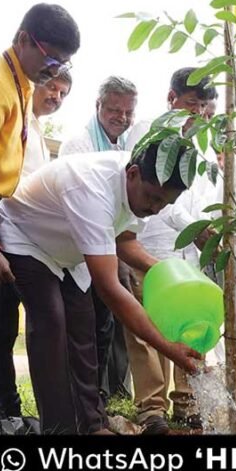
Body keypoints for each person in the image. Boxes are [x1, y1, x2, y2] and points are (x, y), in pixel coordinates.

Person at [0, 141, 203, 434]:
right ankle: (60, 432)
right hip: (24, 235)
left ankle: (92, 425)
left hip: (68, 250)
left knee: (83, 330)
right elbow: (110, 289)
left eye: (163, 204)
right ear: (132, 174)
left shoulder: (138, 193)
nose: (154, 209)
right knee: (51, 322)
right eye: (153, 199)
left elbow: (125, 241)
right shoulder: (91, 187)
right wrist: (168, 348)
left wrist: (169, 274)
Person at [0, 2, 80, 434]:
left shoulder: (21, 83)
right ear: (24, 38)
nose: (55, 70)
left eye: (63, 63)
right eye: (50, 57)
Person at [122, 68, 218, 434]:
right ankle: (152, 408)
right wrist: (193, 228)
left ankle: (187, 401)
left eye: (203, 106)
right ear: (171, 98)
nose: (196, 113)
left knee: (188, 324)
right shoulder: (150, 133)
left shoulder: (202, 143)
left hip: (187, 256)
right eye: (191, 103)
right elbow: (163, 197)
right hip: (148, 243)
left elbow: (201, 198)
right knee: (146, 328)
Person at [0, 71, 71, 425]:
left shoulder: (37, 129)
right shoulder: (14, 114)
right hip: (4, 231)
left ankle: (12, 407)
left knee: (17, 325)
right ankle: (0, 406)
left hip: (31, 241)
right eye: (52, 85)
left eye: (64, 92)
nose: (56, 95)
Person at [59, 75, 140, 401]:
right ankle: (79, 403)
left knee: (104, 326)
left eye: (127, 112)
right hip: (77, 253)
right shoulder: (78, 144)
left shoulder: (125, 148)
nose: (121, 117)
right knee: (82, 329)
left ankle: (99, 398)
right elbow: (82, 208)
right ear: (98, 106)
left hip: (109, 248)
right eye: (113, 109)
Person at [61, 75, 138, 154]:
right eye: (115, 110)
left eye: (129, 112)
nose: (122, 118)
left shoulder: (134, 143)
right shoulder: (76, 145)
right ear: (98, 105)